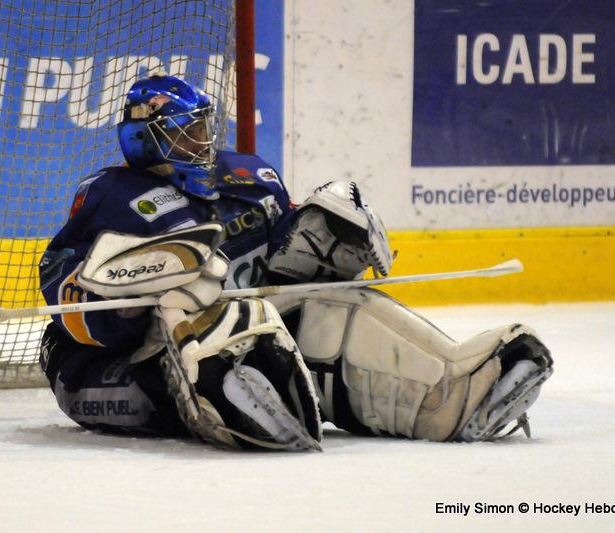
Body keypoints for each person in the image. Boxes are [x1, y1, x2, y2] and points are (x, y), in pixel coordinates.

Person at [38, 74, 553, 451]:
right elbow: (61, 280)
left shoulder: (249, 176)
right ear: (146, 140)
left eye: (203, 128)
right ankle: (238, 398)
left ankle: (453, 395)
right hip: (112, 369)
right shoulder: (110, 195)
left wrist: (326, 234)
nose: (201, 141)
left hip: (262, 340)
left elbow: (286, 260)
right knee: (199, 300)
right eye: (184, 133)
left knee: (337, 309)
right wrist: (125, 297)